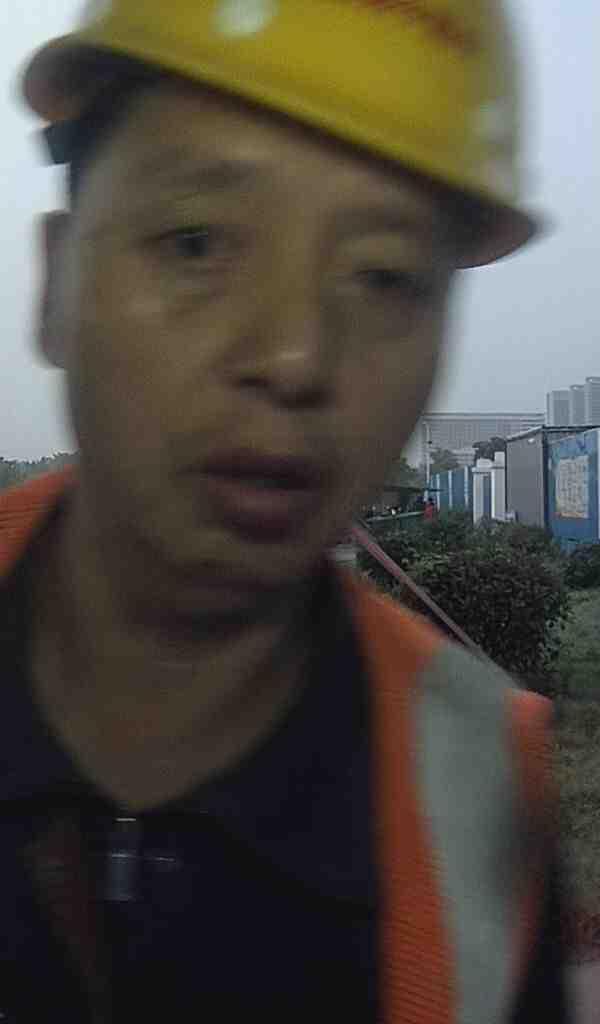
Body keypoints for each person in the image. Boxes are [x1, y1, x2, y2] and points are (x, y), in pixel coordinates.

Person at [0, 2, 569, 1021]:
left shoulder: (484, 786)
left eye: (383, 277)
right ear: (53, 287)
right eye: (196, 243)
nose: (296, 353)